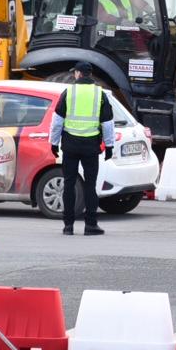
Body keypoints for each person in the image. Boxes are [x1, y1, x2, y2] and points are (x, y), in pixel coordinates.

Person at [49, 62, 115, 235]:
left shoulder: (68, 92)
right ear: (90, 74)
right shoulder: (100, 94)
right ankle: (91, 225)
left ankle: (68, 226)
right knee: (90, 185)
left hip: (70, 145)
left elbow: (57, 122)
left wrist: (54, 143)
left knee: (69, 184)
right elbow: (107, 124)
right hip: (91, 146)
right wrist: (109, 146)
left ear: (78, 74)